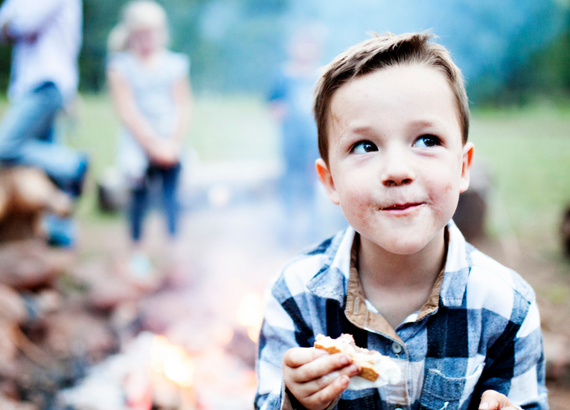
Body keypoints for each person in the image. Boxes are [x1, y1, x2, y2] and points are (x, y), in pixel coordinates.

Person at [255, 32, 547, 410]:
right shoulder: (295, 297)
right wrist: (293, 400)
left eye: (427, 140)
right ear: (330, 182)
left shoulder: (507, 308)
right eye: (365, 146)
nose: (396, 171)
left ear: (463, 168)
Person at [106, 0, 191, 276]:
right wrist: (152, 145)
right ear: (130, 34)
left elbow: (182, 106)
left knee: (172, 197)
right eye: (141, 34)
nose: (147, 40)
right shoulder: (121, 65)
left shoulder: (174, 64)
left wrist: (172, 144)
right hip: (138, 141)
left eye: (152, 33)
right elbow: (127, 110)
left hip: (169, 140)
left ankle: (175, 253)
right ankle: (137, 254)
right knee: (138, 198)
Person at [0, 0, 87, 246]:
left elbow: (22, 22)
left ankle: (73, 164)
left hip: (46, 81)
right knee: (43, 157)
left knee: (5, 146)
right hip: (35, 83)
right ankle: (61, 234)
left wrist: (11, 21)